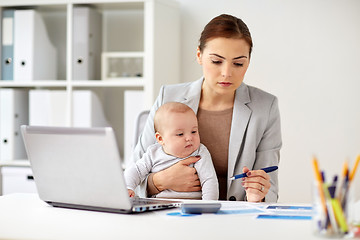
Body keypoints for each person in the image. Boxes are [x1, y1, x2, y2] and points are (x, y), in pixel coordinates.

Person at [132, 14, 282, 202]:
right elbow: (132, 176)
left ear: (248, 62)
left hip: (234, 220)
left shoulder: (265, 107)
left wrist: (259, 195)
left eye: (238, 63)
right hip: (172, 215)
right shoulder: (167, 97)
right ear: (199, 56)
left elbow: (271, 188)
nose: (227, 73)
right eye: (217, 61)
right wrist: (161, 181)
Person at [125, 102, 219, 200]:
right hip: (160, 204)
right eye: (180, 134)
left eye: (194, 131)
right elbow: (135, 171)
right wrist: (128, 187)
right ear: (160, 139)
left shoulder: (199, 152)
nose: (189, 138)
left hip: (193, 204)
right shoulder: (153, 153)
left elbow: (209, 181)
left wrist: (208, 205)